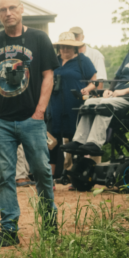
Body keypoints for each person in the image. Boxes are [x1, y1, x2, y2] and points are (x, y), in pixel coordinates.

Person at [0, 0, 58, 247]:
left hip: (32, 119)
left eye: (12, 8)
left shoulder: (39, 38)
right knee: (5, 175)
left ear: (21, 10)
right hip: (1, 122)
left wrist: (40, 111)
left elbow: (48, 76)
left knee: (43, 171)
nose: (8, 13)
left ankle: (50, 223)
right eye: (3, 10)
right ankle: (9, 229)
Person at [61, 23, 129, 157]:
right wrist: (109, 90)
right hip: (117, 95)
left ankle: (95, 143)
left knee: (105, 105)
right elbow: (117, 76)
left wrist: (126, 91)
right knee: (88, 104)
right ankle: (79, 141)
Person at [47, 32, 98, 182]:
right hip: (54, 108)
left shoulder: (83, 61)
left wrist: (87, 89)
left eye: (68, 47)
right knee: (51, 142)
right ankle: (50, 179)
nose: (64, 49)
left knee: (77, 141)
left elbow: (94, 81)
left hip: (75, 106)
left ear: (75, 47)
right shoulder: (53, 61)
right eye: (62, 47)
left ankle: (78, 178)